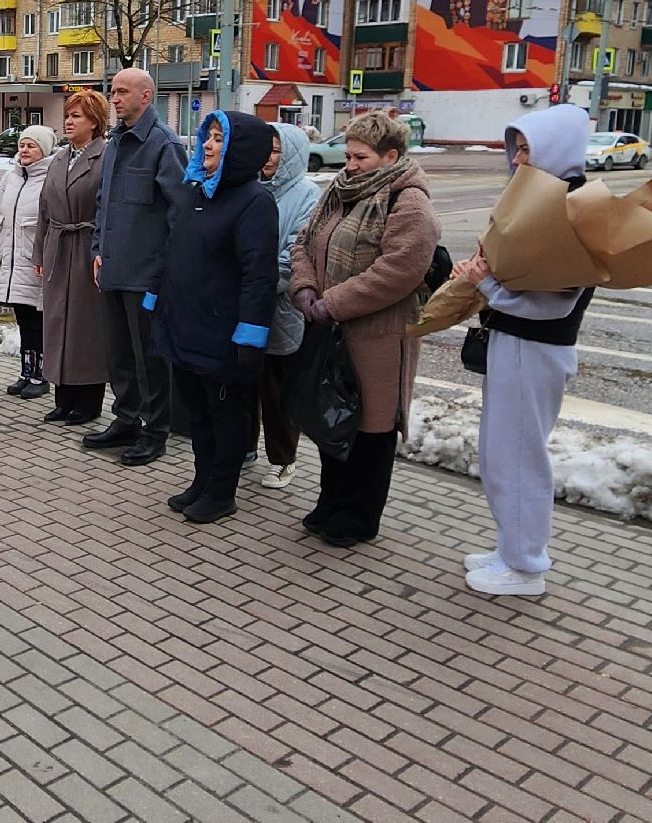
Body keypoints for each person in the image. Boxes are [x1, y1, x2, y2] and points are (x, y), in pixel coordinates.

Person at [454, 103, 594, 596]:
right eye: (515, 148)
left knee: (517, 458)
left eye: (527, 149)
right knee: (501, 454)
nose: (517, 159)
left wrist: (486, 285)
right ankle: (511, 548)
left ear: (556, 149)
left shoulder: (570, 208)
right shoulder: (548, 200)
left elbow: (554, 303)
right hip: (517, 342)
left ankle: (525, 566)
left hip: (534, 347)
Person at [288, 113, 438, 545]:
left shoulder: (408, 200)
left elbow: (400, 270)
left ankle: (358, 517)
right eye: (349, 155)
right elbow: (304, 242)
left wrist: (333, 302)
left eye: (361, 157)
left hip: (378, 337)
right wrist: (305, 288)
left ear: (391, 156)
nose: (350, 165)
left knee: (371, 429)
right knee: (333, 419)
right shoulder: (339, 191)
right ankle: (331, 502)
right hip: (330, 331)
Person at [147, 112, 278, 524]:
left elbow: (259, 276)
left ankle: (222, 492)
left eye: (219, 138)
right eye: (209, 136)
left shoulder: (255, 201)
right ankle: (202, 481)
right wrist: (156, 297)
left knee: (226, 416)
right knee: (198, 413)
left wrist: (250, 336)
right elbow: (172, 249)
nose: (206, 144)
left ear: (240, 149)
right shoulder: (199, 191)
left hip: (223, 334)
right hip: (186, 324)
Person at [88, 66, 186, 465]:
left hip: (146, 275)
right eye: (113, 91)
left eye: (122, 92)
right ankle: (126, 419)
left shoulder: (164, 144)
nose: (114, 99)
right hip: (112, 269)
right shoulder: (115, 142)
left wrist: (165, 273)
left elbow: (180, 215)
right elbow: (103, 204)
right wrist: (97, 249)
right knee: (119, 354)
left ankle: (155, 430)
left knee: (150, 359)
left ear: (146, 96)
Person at [32, 91, 109, 425]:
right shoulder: (60, 158)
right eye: (67, 115)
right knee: (57, 323)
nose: (68, 121)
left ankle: (88, 402)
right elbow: (44, 210)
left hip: (86, 250)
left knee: (85, 327)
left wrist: (102, 251)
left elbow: (107, 209)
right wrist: (39, 252)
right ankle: (62, 399)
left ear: (94, 121)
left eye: (76, 115)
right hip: (58, 249)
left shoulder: (105, 156)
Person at [253, 122, 322, 490]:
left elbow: (295, 254)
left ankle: (283, 459)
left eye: (277, 150)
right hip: (245, 305)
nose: (268, 157)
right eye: (266, 148)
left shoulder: (308, 195)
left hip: (279, 308)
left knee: (277, 391)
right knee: (244, 385)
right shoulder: (252, 187)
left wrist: (256, 286)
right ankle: (244, 448)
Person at [0, 125, 55, 397]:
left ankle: (42, 376)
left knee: (39, 320)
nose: (24, 150)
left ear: (44, 150)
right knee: (23, 319)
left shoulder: (50, 177)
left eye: (31, 146)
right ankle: (26, 371)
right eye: (22, 145)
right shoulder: (11, 177)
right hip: (13, 260)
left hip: (36, 261)